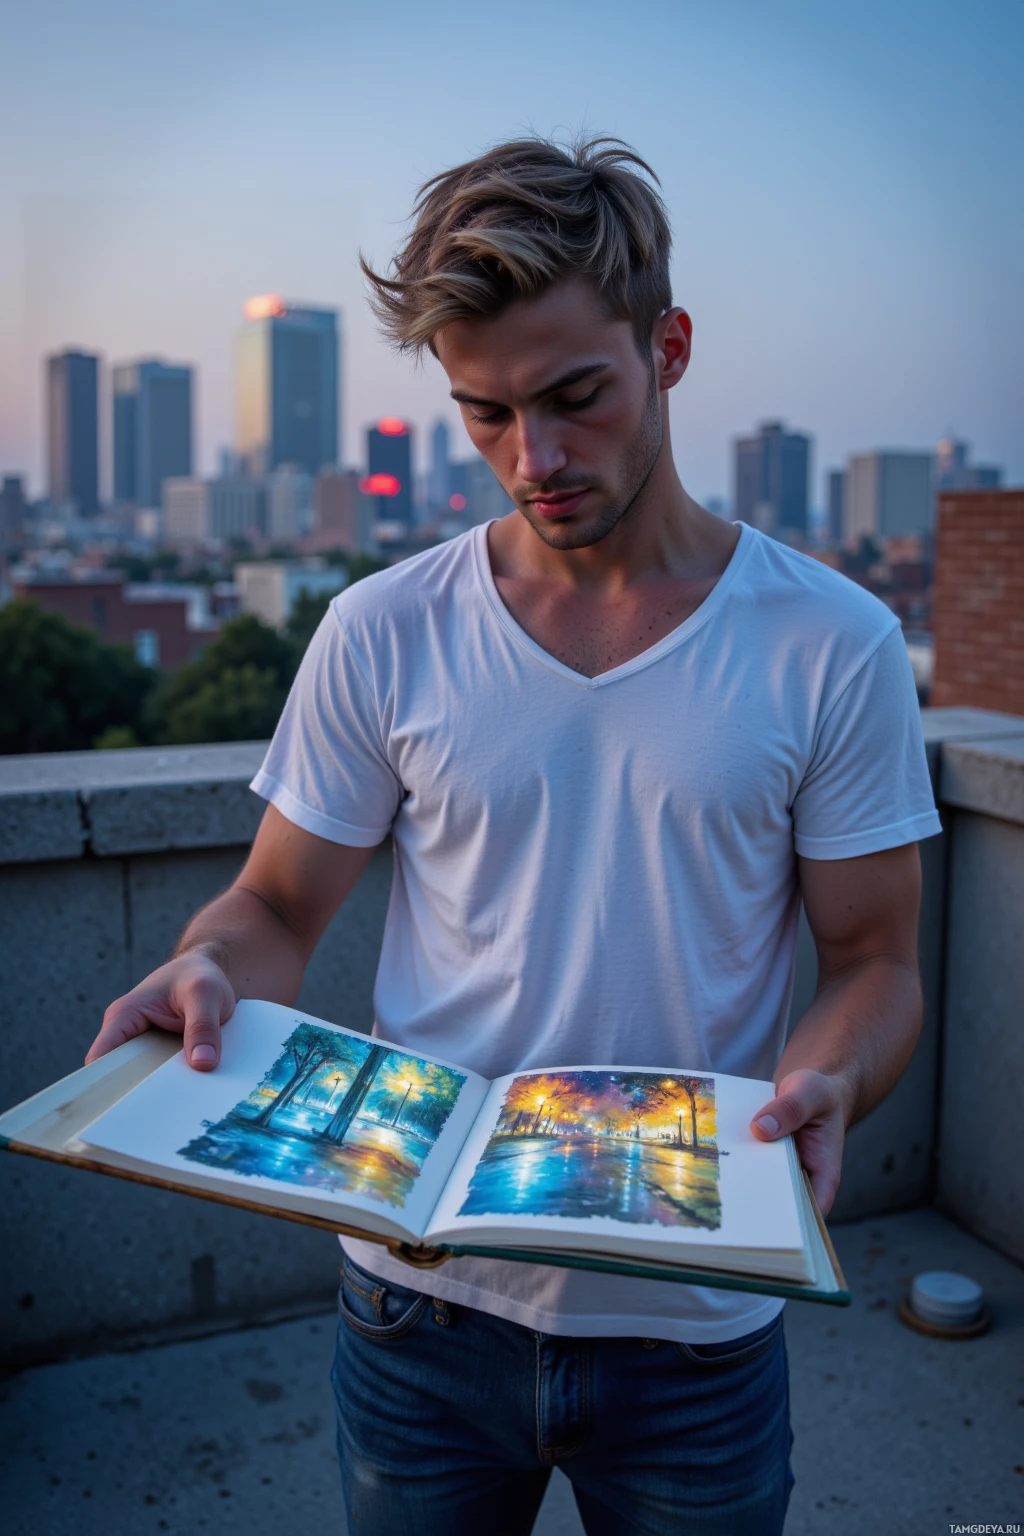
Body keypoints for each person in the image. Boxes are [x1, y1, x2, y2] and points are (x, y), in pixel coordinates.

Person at [88, 137, 941, 1535]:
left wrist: (831, 1078)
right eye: (483, 414)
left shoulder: (831, 644)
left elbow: (876, 960)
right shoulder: (382, 628)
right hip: (416, 1316)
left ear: (667, 348)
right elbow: (278, 911)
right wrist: (208, 970)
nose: (531, 458)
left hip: (695, 1335)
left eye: (575, 396)